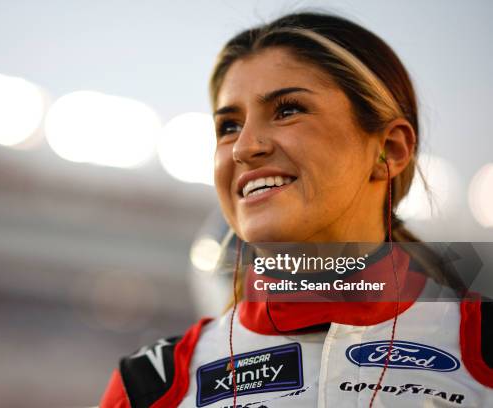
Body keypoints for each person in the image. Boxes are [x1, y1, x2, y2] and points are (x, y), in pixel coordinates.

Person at [100, 12, 492, 407]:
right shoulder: (151, 385)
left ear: (389, 149)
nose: (244, 147)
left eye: (287, 110)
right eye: (229, 126)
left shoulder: (482, 348)